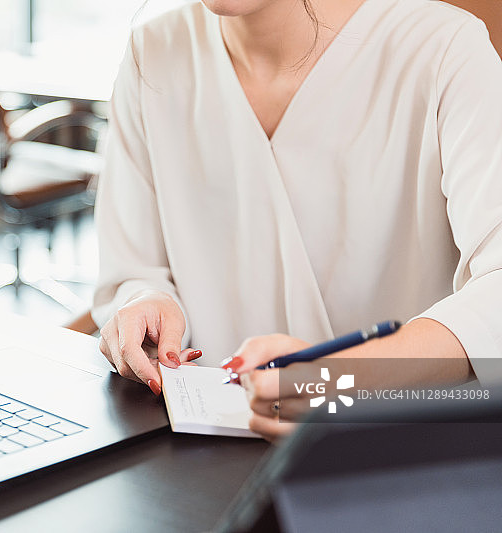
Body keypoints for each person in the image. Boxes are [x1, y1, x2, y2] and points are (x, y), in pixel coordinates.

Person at [91, 0, 502, 441]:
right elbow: (131, 271)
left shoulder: (445, 50)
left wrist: (347, 380)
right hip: (197, 448)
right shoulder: (152, 50)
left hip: (399, 451)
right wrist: (146, 305)